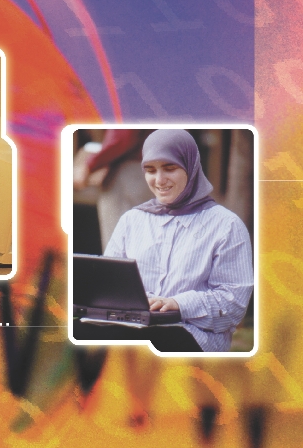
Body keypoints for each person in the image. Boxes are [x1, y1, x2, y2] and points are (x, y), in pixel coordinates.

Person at [74, 129, 254, 352]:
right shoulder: (131, 220)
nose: (159, 180)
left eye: (170, 168)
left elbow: (234, 305)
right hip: (132, 328)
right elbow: (112, 287)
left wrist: (179, 305)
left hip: (191, 334)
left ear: (190, 167)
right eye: (150, 170)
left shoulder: (226, 225)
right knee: (72, 335)